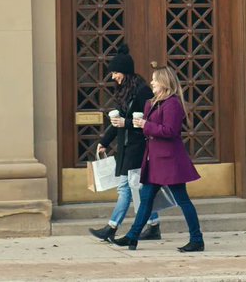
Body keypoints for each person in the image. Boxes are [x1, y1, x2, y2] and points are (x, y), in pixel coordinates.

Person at [113, 64, 205, 252]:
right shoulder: (153, 102)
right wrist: (140, 124)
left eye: (155, 79)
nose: (152, 82)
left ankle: (197, 239)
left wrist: (145, 125)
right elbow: (151, 129)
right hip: (154, 161)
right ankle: (132, 236)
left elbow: (170, 131)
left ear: (164, 81)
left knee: (182, 200)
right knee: (146, 200)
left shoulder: (173, 103)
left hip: (170, 162)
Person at [88, 45, 161, 242]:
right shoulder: (125, 91)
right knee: (135, 188)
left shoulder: (142, 91)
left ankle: (112, 227)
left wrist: (125, 123)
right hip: (125, 148)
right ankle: (153, 225)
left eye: (115, 73)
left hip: (137, 147)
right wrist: (104, 141)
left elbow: (150, 120)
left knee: (126, 188)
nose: (113, 77)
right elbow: (118, 121)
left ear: (125, 72)